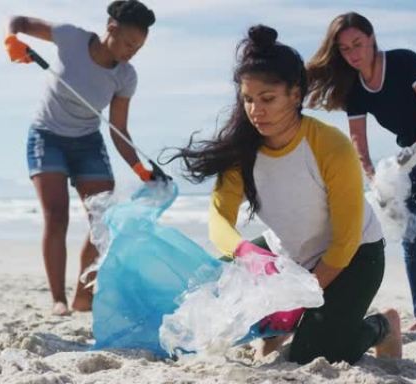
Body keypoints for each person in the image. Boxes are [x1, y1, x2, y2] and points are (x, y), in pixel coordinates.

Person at [167, 25, 402, 364]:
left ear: (295, 95)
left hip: (354, 258)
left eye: (267, 99)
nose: (255, 111)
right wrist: (245, 252)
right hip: (285, 256)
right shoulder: (242, 150)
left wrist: (297, 297)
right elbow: (219, 218)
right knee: (199, 294)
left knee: (313, 355)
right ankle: (274, 331)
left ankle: (383, 326)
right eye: (247, 99)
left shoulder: (329, 145)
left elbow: (346, 240)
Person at [305, 12, 416, 333]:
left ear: (372, 38)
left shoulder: (405, 62)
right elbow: (358, 140)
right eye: (345, 49)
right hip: (413, 160)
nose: (353, 54)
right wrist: (373, 178)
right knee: (410, 234)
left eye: (358, 44)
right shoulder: (354, 90)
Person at [4, 0, 160, 315]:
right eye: (129, 43)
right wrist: (12, 41)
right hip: (47, 137)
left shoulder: (126, 76)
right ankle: (58, 299)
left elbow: (118, 129)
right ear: (111, 28)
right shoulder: (71, 37)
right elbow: (18, 20)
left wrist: (139, 168)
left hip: (88, 142)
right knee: (57, 216)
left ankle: (83, 296)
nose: (132, 52)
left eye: (138, 47)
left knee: (103, 221)